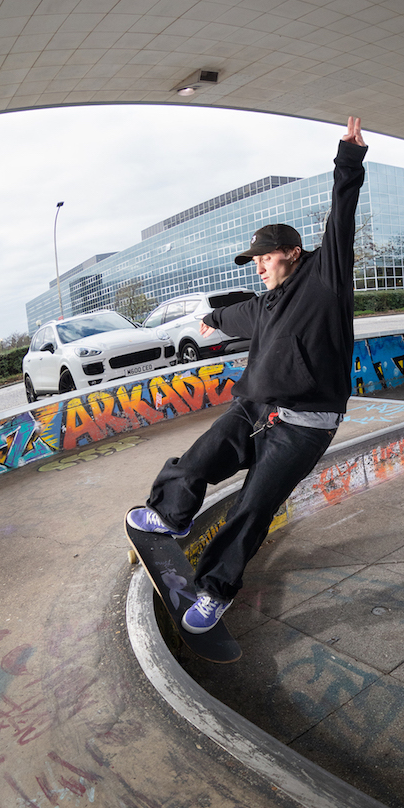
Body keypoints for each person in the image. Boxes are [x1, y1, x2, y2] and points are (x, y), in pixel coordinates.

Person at [128, 116, 367, 632]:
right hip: (254, 410)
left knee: (252, 507)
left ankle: (215, 591)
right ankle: (172, 514)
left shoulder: (326, 281)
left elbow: (341, 219)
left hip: (303, 426)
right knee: (197, 460)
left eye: (264, 257)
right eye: (253, 260)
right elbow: (236, 314)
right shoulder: (264, 304)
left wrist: (348, 161)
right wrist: (211, 320)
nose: (257, 265)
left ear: (291, 254)